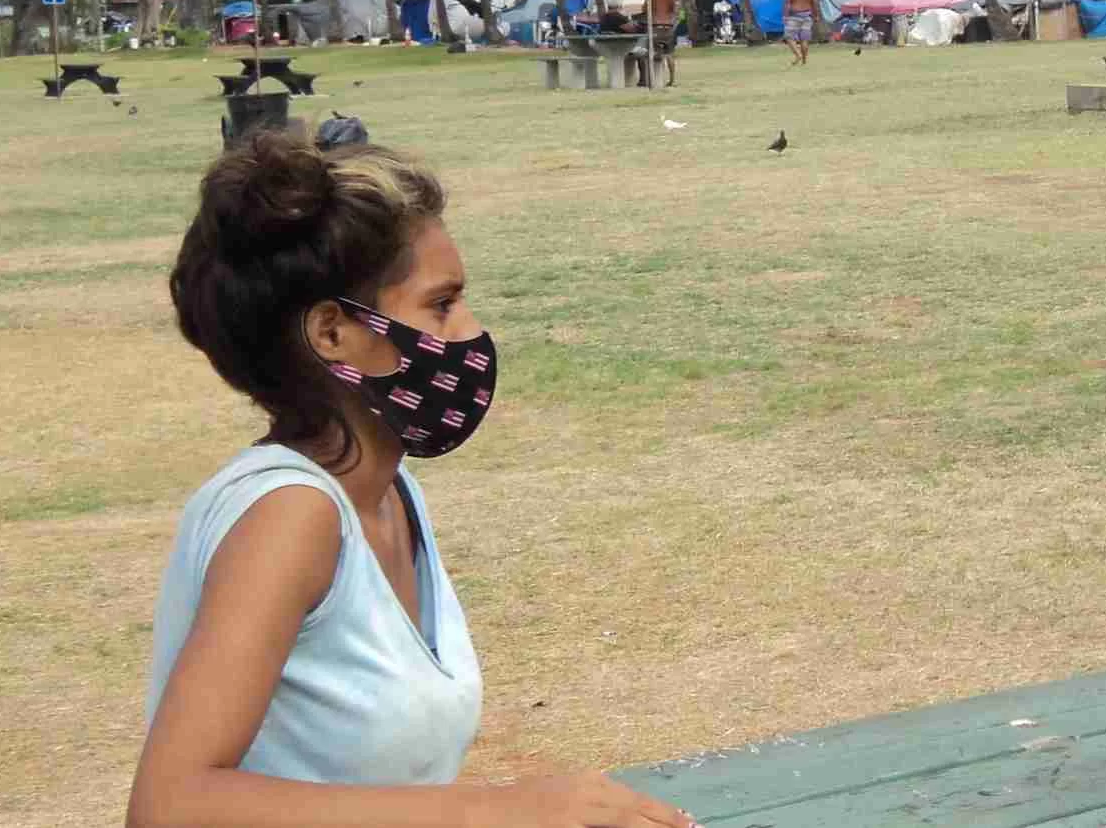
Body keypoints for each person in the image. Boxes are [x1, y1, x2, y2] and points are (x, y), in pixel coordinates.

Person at [131, 134, 694, 828]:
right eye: (442, 305)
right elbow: (170, 806)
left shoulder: (389, 493)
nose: (472, 332)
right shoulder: (289, 516)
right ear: (333, 334)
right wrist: (494, 812)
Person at [646, 0, 679, 88]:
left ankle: (653, 79)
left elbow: (645, 8)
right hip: (668, 26)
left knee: (652, 52)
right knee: (669, 54)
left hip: (655, 26)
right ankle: (672, 79)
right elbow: (674, 10)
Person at [783, 0, 816, 66]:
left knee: (788, 37)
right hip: (807, 16)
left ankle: (798, 55)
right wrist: (816, 15)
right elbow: (814, 2)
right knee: (804, 39)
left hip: (794, 15)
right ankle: (804, 61)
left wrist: (785, 16)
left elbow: (787, 1)